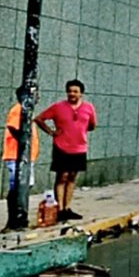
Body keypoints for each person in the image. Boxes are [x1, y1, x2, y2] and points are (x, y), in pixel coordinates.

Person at [34, 79, 98, 221]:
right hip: (61, 146)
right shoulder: (58, 107)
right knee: (62, 176)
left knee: (72, 177)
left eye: (75, 91)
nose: (72, 94)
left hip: (79, 147)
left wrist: (79, 131)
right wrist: (51, 132)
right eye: (69, 91)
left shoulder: (88, 107)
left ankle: (68, 207)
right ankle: (60, 209)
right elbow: (39, 119)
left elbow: (92, 125)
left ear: (81, 93)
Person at [2, 88, 40, 230]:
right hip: (16, 156)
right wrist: (23, 143)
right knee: (17, 187)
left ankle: (20, 216)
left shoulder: (28, 111)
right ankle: (15, 218)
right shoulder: (18, 109)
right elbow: (12, 127)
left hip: (26, 157)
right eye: (35, 94)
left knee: (25, 186)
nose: (38, 97)